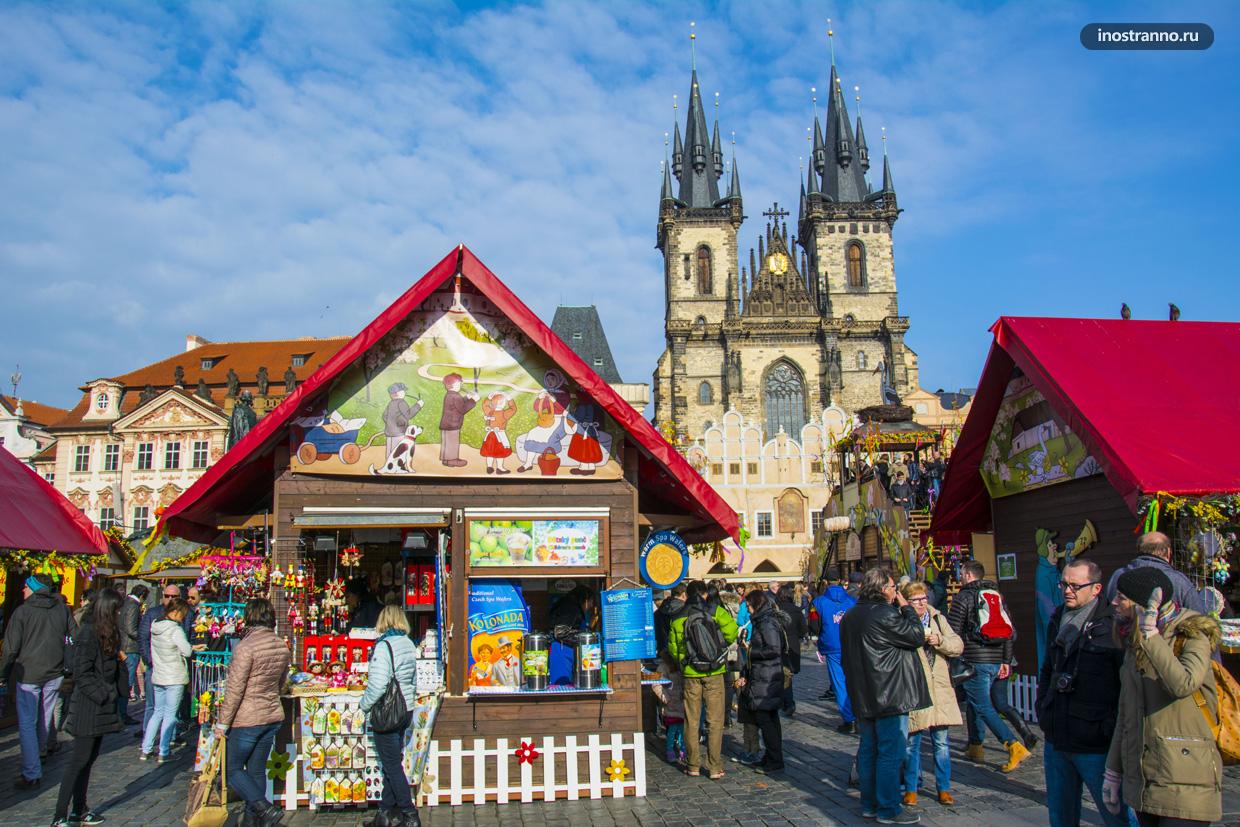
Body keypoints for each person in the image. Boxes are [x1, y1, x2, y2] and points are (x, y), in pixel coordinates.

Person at [1103, 568, 1221, 827]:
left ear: (1142, 603)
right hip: (1146, 778)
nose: (1113, 602)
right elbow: (1126, 712)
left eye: (1121, 597)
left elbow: (1183, 684)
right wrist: (1113, 772)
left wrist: (1151, 636)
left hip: (1185, 775)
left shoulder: (1191, 633)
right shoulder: (1135, 641)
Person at [1036, 559, 1130, 827]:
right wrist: (1043, 707)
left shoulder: (1112, 626)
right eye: (1064, 584)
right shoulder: (1057, 617)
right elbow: (1048, 668)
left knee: (1116, 816)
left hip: (1095, 741)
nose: (1067, 590)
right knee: (1061, 817)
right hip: (1057, 735)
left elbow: (1125, 684)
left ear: (1096, 587)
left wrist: (1108, 727)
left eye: (1075, 585)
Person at [840, 567, 929, 825]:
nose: (895, 592)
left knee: (868, 750)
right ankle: (888, 808)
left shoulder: (850, 615)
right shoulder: (886, 614)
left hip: (863, 693)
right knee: (890, 752)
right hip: (889, 693)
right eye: (892, 587)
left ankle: (869, 804)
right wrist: (906, 606)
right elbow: (916, 635)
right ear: (882, 589)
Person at [947, 561, 1031, 773]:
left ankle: (1012, 744)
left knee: (983, 706)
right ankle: (976, 746)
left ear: (966, 575)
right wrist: (1005, 660)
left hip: (975, 659)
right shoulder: (996, 596)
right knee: (978, 703)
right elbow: (1009, 632)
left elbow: (952, 631)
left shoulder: (963, 598)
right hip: (996, 660)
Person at [215, 599, 291, 827]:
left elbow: (235, 689)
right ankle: (254, 821)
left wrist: (222, 723)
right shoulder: (280, 645)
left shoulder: (245, 647)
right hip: (271, 714)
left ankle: (263, 808)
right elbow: (281, 682)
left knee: (233, 769)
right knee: (257, 771)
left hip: (247, 717)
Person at [52, 588, 123, 827]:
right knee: (78, 761)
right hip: (88, 706)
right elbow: (82, 673)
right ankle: (59, 814)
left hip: (102, 706)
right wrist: (103, 694)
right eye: (116, 609)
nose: (120, 613)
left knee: (89, 759)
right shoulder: (88, 633)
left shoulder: (109, 633)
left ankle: (79, 809)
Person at [0, 573, 70, 789]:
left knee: (28, 723)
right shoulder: (62, 609)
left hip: (29, 674)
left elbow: (10, 649)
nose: (22, 590)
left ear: (33, 589)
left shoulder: (23, 612)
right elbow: (72, 639)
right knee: (44, 717)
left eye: (25, 587)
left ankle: (31, 771)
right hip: (54, 672)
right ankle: (38, 755)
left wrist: (3, 674)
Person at [667, 579, 739, 780]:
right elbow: (732, 632)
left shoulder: (678, 617)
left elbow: (674, 648)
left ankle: (693, 765)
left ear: (686, 595)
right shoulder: (716, 611)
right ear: (705, 594)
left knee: (691, 719)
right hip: (715, 671)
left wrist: (684, 661)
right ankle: (715, 767)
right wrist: (717, 648)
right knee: (715, 721)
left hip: (691, 674)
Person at [901, 581, 963, 808]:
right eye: (916, 600)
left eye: (924, 598)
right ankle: (911, 789)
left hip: (939, 688)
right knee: (912, 743)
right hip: (915, 687)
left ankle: (943, 788)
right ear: (907, 602)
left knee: (941, 742)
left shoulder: (937, 618)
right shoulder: (902, 620)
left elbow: (957, 644)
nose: (921, 603)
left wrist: (940, 641)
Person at [360, 605, 420, 827]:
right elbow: (412, 678)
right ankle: (383, 815)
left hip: (388, 711)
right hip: (406, 708)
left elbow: (378, 684)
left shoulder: (383, 646)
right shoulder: (408, 643)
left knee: (392, 765)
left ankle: (409, 813)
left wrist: (363, 705)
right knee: (392, 761)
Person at [739, 590, 789, 774]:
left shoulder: (767, 623)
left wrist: (751, 651)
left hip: (767, 678)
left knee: (765, 719)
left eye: (750, 606)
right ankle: (772, 756)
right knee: (768, 718)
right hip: (762, 676)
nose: (749, 610)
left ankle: (775, 760)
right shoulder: (762, 621)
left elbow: (774, 649)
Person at [141, 597, 192, 761]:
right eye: (182, 614)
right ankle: (164, 751)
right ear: (176, 612)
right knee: (170, 714)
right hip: (174, 676)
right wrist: (191, 648)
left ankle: (146, 748)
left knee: (157, 712)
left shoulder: (156, 626)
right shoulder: (175, 630)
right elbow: (187, 651)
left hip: (159, 674)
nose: (183, 618)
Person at [1105, 531, 1205, 614]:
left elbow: (1109, 610)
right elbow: (1199, 619)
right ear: (1169, 552)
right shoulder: (1179, 581)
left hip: (1124, 636)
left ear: (1139, 550)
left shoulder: (1118, 575)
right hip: (1165, 636)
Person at [814, 568, 858, 733]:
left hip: (832, 645)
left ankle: (849, 719)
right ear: (840, 581)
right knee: (853, 681)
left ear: (825, 582)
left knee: (839, 683)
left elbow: (813, 625)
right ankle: (858, 715)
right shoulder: (852, 601)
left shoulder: (818, 602)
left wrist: (819, 640)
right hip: (851, 644)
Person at [137, 584, 181, 742]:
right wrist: (150, 660)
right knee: (152, 705)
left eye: (174, 597)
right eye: (167, 596)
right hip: (155, 667)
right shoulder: (152, 613)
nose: (170, 599)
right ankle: (147, 738)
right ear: (162, 596)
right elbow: (142, 638)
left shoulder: (183, 613)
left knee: (173, 707)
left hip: (175, 668)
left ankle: (170, 738)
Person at [119, 584, 148, 725]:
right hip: (130, 647)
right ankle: (122, 714)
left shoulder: (125, 603)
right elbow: (131, 629)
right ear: (142, 596)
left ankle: (121, 713)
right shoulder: (134, 605)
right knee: (127, 681)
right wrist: (143, 637)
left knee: (126, 680)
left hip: (125, 646)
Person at [651, 650, 686, 764]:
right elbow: (655, 683)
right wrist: (665, 698)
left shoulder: (682, 665)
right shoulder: (662, 667)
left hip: (681, 703)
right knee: (671, 730)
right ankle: (670, 750)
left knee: (681, 730)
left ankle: (682, 749)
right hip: (670, 704)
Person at [774, 584, 804, 717]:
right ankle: (787, 701)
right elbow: (804, 629)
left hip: (779, 644)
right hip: (793, 645)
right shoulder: (797, 610)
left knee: (783, 674)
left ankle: (787, 702)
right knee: (788, 673)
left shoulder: (776, 610)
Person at [438, 372, 478, 467]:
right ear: (453, 385)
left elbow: (459, 403)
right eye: (459, 383)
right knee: (452, 443)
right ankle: (452, 460)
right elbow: (463, 409)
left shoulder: (450, 395)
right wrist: (473, 400)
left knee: (447, 442)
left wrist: (467, 397)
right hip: (453, 424)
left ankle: (446, 460)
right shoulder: (455, 396)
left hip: (446, 424)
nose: (460, 385)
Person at [383, 382, 423, 460]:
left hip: (389, 432)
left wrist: (390, 424)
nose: (405, 393)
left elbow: (384, 416)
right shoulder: (401, 402)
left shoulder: (390, 403)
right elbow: (409, 415)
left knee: (389, 452)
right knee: (398, 452)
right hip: (399, 432)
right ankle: (396, 467)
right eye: (403, 391)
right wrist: (418, 405)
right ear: (397, 393)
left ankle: (387, 468)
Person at [654, 582, 687, 656]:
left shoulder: (659, 611)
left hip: (662, 652)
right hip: (680, 652)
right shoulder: (685, 610)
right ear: (683, 594)